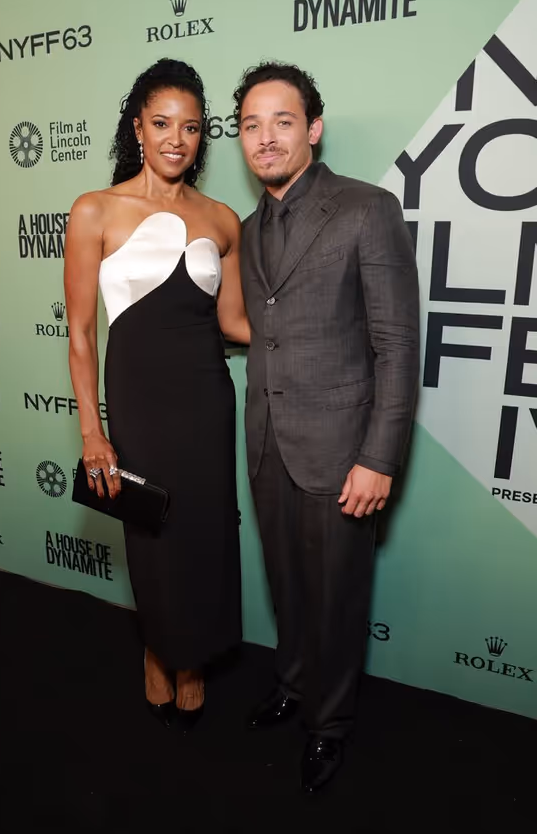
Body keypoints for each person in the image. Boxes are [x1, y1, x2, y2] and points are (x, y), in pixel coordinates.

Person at [234, 61, 419, 792]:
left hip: (344, 449)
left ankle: (329, 724)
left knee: (338, 595)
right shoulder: (249, 229)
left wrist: (380, 455)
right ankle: (292, 679)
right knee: (287, 584)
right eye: (251, 125)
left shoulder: (365, 209)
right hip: (269, 441)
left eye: (283, 121)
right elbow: (268, 331)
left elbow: (397, 345)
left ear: (312, 128)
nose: (266, 137)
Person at [64, 58, 250, 731]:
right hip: (137, 401)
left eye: (192, 127)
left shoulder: (223, 219)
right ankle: (156, 648)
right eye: (162, 123)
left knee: (202, 531)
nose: (177, 139)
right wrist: (92, 429)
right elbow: (81, 335)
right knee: (151, 528)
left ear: (204, 137)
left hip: (206, 396)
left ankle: (192, 660)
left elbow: (233, 323)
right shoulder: (95, 210)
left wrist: (313, 327)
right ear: (137, 126)